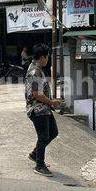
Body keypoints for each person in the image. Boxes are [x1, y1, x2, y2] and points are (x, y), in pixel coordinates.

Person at [25, 44, 60, 177]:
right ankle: (39, 165)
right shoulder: (35, 71)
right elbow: (36, 94)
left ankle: (35, 154)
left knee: (53, 132)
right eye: (47, 57)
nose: (48, 59)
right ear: (42, 57)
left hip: (44, 109)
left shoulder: (37, 69)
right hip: (37, 109)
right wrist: (52, 102)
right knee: (44, 136)